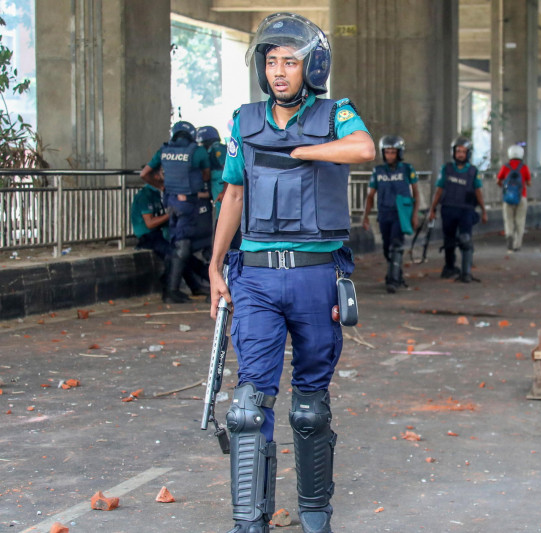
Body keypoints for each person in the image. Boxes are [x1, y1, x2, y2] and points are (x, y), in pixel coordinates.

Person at [207, 13, 375, 533]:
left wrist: (299, 150)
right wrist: (215, 267)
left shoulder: (334, 114)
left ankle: (315, 515)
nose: (280, 71)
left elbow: (363, 149)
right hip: (255, 275)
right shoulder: (244, 120)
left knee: (308, 410)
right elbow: (234, 192)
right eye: (272, 61)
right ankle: (248, 520)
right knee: (247, 408)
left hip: (314, 273)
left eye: (291, 61)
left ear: (312, 66)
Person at [140, 120, 213, 303]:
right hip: (190, 203)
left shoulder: (163, 151)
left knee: (177, 243)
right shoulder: (198, 152)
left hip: (171, 202)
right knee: (185, 245)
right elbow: (206, 175)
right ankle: (171, 291)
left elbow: (144, 174)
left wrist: (162, 186)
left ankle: (173, 289)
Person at [362, 135, 419, 292]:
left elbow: (416, 193)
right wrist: (365, 216)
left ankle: (392, 281)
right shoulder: (378, 171)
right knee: (388, 248)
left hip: (400, 214)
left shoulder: (408, 169)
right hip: (384, 213)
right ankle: (397, 273)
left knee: (396, 245)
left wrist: (415, 215)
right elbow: (370, 195)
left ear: (399, 153)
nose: (390, 155)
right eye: (387, 152)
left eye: (393, 152)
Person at [427, 136, 488, 282]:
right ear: (453, 152)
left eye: (463, 151)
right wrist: (432, 209)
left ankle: (466, 272)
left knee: (465, 239)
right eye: (458, 151)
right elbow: (439, 189)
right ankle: (449, 267)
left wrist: (484, 210)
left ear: (468, 154)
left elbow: (478, 192)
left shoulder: (473, 171)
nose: (460, 154)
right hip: (448, 209)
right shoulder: (446, 169)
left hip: (466, 210)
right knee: (449, 241)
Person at [496, 143, 531, 252]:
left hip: (508, 198)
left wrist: (505, 188)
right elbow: (529, 183)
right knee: (520, 220)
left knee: (508, 220)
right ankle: (517, 244)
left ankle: (509, 235)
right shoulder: (524, 167)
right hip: (522, 197)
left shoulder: (505, 167)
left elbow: (498, 180)